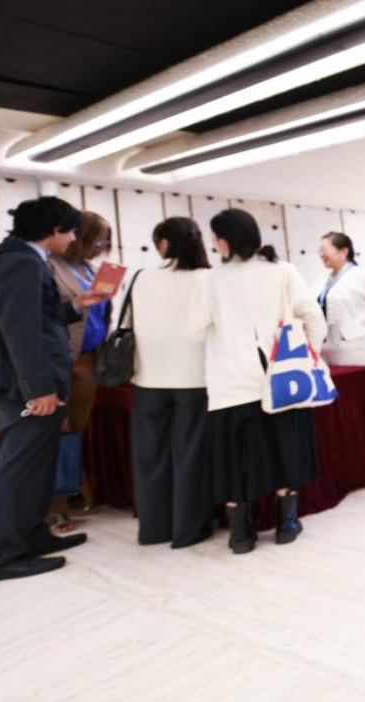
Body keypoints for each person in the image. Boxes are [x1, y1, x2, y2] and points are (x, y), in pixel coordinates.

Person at [0, 197, 107, 584]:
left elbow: (41, 318)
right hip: (24, 390)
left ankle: (31, 536)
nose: (73, 239)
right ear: (54, 230)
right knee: (18, 469)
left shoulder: (24, 259)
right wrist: (39, 389)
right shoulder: (17, 263)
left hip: (28, 385)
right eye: (71, 231)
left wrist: (79, 304)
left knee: (34, 468)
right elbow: (20, 332)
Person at [186, 208, 327, 553]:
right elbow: (314, 317)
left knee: (234, 459)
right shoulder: (282, 271)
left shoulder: (209, 279)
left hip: (230, 382)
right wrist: (312, 353)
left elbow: (193, 330)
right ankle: (287, 524)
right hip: (281, 379)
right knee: (285, 451)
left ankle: (241, 534)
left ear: (223, 241)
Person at [130, 217, 213, 548]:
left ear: (164, 243)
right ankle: (188, 529)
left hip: (148, 376)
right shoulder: (208, 278)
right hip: (195, 376)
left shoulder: (142, 277)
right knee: (190, 453)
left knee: (150, 456)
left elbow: (124, 323)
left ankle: (153, 528)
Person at [46, 210, 113, 532]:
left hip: (89, 358)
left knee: (76, 433)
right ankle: (55, 507)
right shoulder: (49, 265)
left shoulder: (90, 269)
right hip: (59, 360)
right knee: (57, 432)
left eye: (105, 240)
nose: (102, 245)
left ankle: (73, 493)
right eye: (97, 238)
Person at [316, 231, 365, 366]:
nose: (321, 254)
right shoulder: (321, 279)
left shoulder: (363, 275)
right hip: (326, 346)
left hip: (354, 347)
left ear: (343, 251)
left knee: (357, 384)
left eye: (324, 249)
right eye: (319, 250)